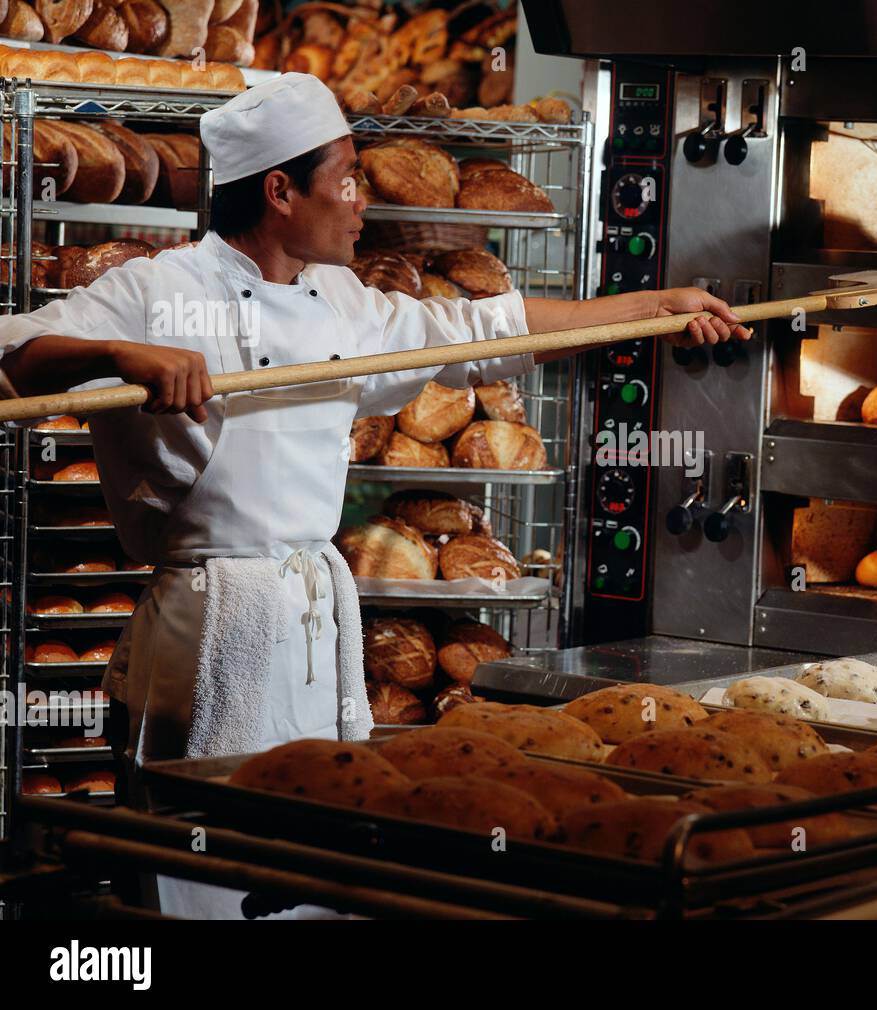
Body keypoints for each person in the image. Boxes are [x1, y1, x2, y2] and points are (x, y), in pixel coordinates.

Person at [0, 73, 748, 918]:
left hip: (315, 620)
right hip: (215, 623)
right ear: (280, 191)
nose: (362, 200)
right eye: (346, 176)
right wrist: (120, 357)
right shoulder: (159, 292)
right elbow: (15, 353)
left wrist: (654, 307)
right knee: (206, 871)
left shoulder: (342, 302)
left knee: (323, 866)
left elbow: (483, 327)